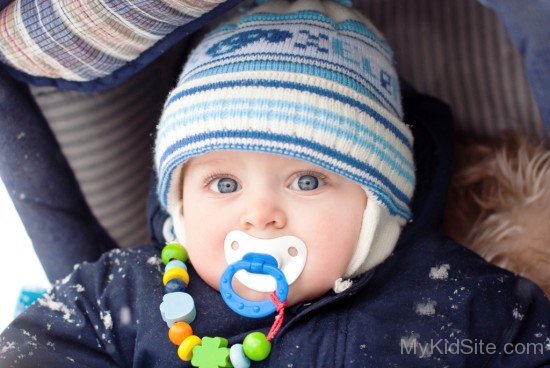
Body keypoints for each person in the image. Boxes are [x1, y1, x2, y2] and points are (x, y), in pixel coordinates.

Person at [1, 0, 549, 366]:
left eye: (307, 180)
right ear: (180, 205)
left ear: (376, 209)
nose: (259, 214)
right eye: (222, 185)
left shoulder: (442, 295)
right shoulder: (126, 297)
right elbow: (38, 346)